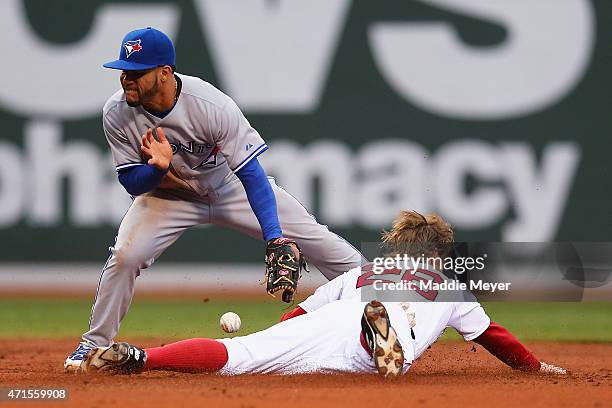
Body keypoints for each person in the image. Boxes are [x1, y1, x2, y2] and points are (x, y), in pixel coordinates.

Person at [63, 27, 364, 372]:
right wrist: (158, 169)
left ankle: (391, 311)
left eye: (136, 72)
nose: (126, 79)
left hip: (229, 187)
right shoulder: (117, 112)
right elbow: (132, 181)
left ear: (164, 73)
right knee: (126, 255)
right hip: (167, 196)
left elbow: (251, 174)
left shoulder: (210, 105)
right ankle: (93, 345)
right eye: (124, 71)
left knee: (323, 244)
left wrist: (274, 236)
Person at [78, 211, 567, 377]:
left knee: (236, 354)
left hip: (340, 314)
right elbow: (495, 337)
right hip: (377, 332)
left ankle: (143, 357)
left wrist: (270, 341)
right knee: (389, 348)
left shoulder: (369, 270)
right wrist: (533, 367)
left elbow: (299, 318)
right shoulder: (451, 286)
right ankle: (383, 343)